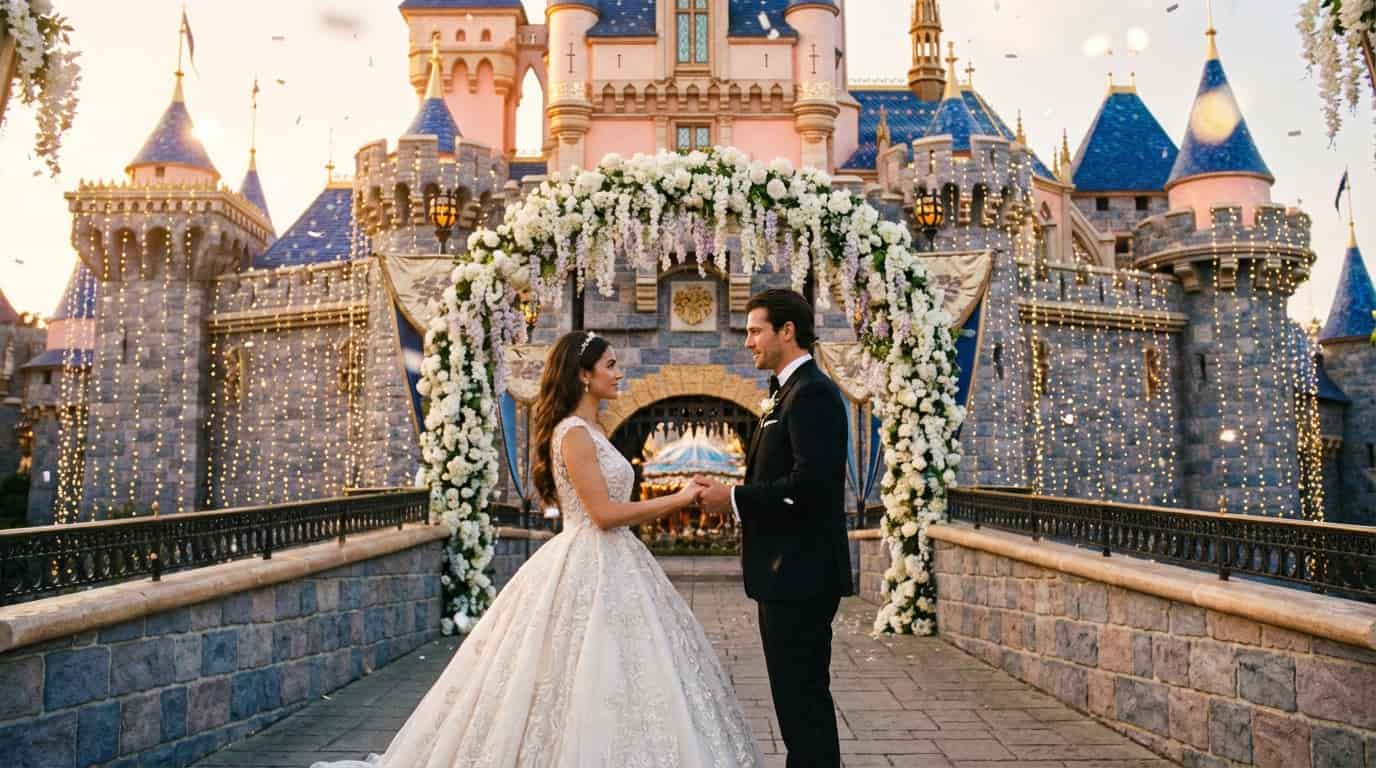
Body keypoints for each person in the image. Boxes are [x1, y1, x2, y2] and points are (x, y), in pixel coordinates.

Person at [312, 331, 762, 767]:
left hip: (618, 562)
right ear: (584, 375)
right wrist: (681, 498)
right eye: (611, 365)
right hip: (589, 557)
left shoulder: (593, 428)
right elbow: (603, 514)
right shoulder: (574, 434)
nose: (619, 373)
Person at [695, 288, 853, 768]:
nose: (748, 342)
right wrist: (732, 495)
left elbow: (812, 485)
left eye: (755, 330)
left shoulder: (813, 395)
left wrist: (736, 498)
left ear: (788, 331)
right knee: (795, 704)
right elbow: (783, 477)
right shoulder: (785, 393)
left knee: (803, 704)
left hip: (801, 576)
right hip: (785, 574)